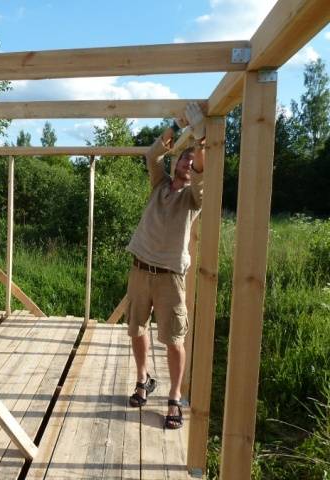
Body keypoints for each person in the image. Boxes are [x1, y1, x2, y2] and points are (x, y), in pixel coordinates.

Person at [125, 102, 205, 429]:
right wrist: (175, 125)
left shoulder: (194, 197)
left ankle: (174, 397)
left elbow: (202, 173)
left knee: (174, 340)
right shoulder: (159, 185)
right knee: (135, 328)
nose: (186, 161)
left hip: (170, 278)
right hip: (140, 269)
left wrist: (199, 140)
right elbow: (151, 156)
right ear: (175, 162)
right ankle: (143, 380)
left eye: (191, 159)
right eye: (182, 156)